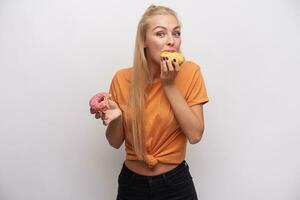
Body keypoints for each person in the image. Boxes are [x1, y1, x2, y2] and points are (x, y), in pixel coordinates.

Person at [90, 4, 209, 200]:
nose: (171, 41)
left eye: (176, 33)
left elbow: (195, 135)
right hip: (132, 185)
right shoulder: (121, 79)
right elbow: (114, 142)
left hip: (176, 184)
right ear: (144, 41)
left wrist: (169, 85)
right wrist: (117, 118)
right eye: (160, 34)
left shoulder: (191, 73)